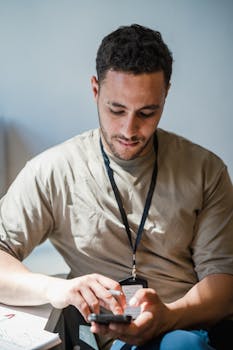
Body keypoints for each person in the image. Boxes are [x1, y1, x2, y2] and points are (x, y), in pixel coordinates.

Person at [0, 24, 232, 350]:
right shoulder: (51, 171)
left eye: (147, 112)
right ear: (95, 90)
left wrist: (169, 316)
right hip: (92, 335)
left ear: (165, 94)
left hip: (179, 328)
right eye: (116, 109)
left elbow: (223, 285)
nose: (129, 129)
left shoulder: (207, 171)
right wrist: (52, 289)